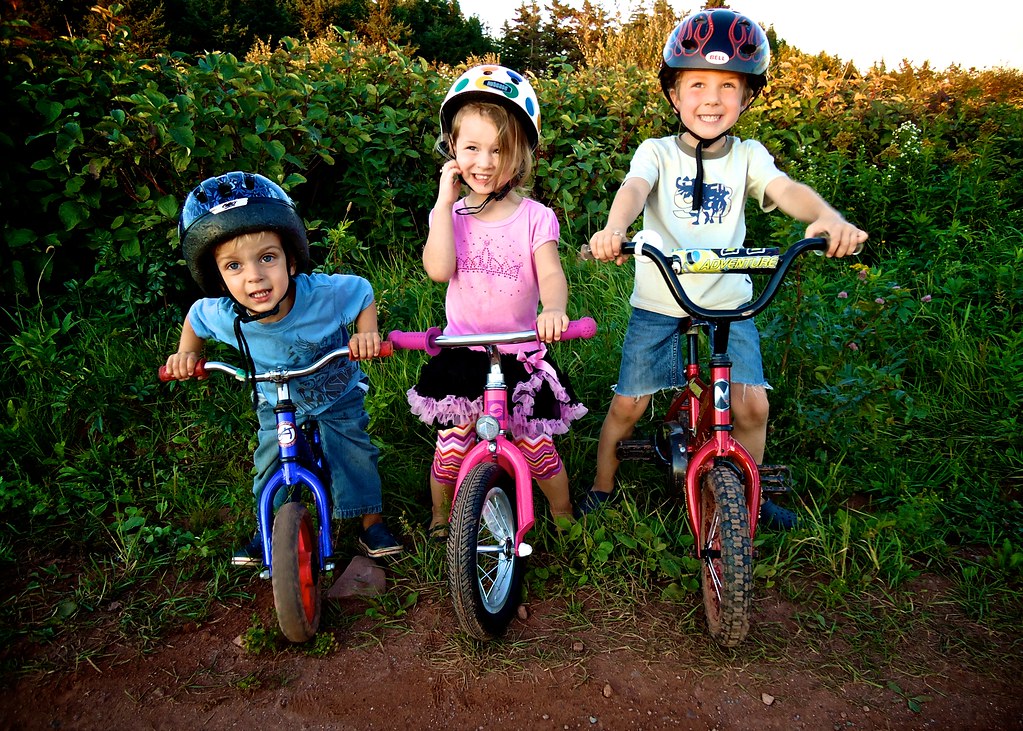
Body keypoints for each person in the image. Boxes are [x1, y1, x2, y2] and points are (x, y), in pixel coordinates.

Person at [583, 9, 868, 526]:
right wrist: (615, 229)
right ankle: (602, 485)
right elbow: (634, 189)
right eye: (696, 84)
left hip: (730, 305)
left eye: (727, 86)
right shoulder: (657, 153)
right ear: (674, 93)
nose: (711, 98)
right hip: (659, 301)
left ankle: (751, 495)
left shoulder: (748, 156)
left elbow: (786, 191)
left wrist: (826, 216)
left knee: (752, 408)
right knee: (628, 407)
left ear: (747, 96)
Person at [164, 171, 403, 561]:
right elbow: (196, 318)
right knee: (268, 461)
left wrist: (366, 333)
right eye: (234, 267)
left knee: (352, 450)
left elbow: (361, 291)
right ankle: (270, 528)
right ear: (219, 279)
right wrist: (186, 353)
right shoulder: (225, 314)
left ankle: (370, 524)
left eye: (267, 258)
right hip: (275, 398)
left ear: (291, 262)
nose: (254, 276)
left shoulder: (323, 295)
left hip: (335, 392)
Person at [406, 65, 587, 539]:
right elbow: (439, 269)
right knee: (451, 447)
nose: (484, 162)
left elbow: (551, 272)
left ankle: (564, 515)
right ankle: (443, 516)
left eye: (499, 150)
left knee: (536, 446)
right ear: (452, 151)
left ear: (521, 155)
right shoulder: (450, 214)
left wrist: (553, 309)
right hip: (463, 352)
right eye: (471, 148)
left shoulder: (535, 218)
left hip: (518, 350)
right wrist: (444, 206)